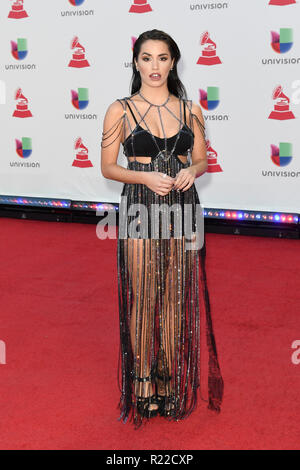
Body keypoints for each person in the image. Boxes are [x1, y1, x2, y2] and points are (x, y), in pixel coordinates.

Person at [101, 29, 223, 427]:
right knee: (144, 296)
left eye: (163, 58)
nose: (155, 66)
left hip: (183, 211)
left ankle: (169, 379)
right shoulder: (120, 109)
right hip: (140, 211)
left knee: (174, 297)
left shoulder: (191, 109)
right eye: (147, 58)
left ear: (174, 62)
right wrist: (145, 178)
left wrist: (191, 169)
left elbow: (203, 161)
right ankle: (141, 382)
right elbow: (107, 167)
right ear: (136, 63)